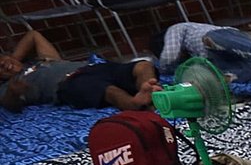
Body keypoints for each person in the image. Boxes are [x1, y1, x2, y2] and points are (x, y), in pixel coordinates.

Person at [1, 29, 160, 112]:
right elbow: (10, 105)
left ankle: (151, 95)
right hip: (69, 83)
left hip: (94, 68)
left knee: (143, 66)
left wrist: (13, 60)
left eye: (2, 59)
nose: (3, 64)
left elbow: (33, 35)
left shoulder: (43, 59)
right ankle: (135, 104)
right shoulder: (7, 86)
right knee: (109, 91)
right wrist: (13, 93)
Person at [156, 21, 251, 82]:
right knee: (218, 76)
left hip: (222, 37)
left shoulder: (176, 29)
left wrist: (164, 68)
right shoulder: (193, 56)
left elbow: (168, 56)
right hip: (219, 57)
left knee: (210, 40)